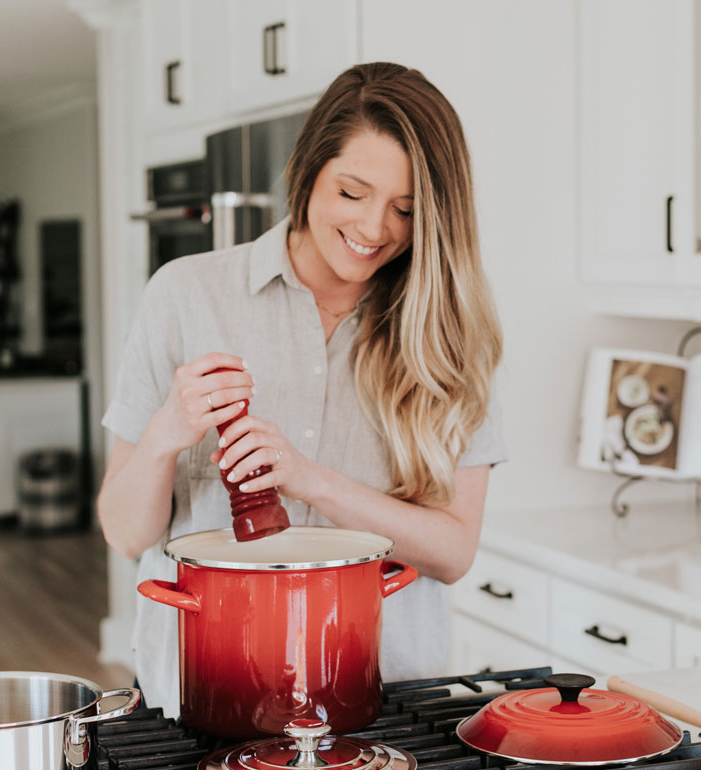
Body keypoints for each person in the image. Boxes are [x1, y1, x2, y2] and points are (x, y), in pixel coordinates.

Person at [98, 61, 505, 717]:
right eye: (352, 192)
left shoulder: (450, 336)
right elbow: (123, 531)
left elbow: (454, 552)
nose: (376, 228)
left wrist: (307, 478)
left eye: (406, 209)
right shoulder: (184, 294)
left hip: (383, 706)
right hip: (205, 700)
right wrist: (165, 435)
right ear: (307, 171)